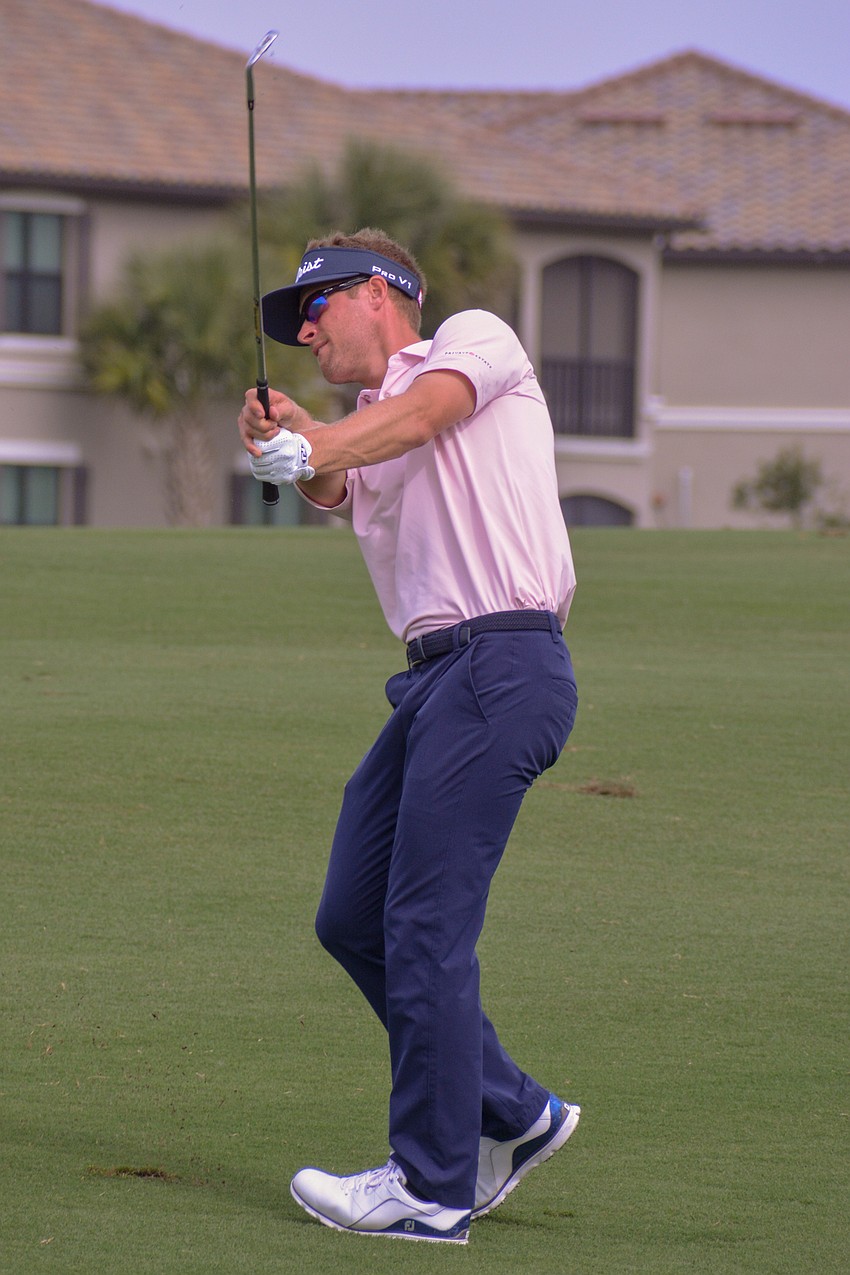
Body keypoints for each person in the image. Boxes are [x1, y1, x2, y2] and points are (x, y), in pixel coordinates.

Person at [237, 228, 580, 1245]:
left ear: (383, 293)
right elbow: (339, 484)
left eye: (318, 305)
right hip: (434, 683)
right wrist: (295, 441)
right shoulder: (363, 424)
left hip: (503, 661)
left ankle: (430, 1192)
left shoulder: (472, 342)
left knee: (426, 932)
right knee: (351, 915)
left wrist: (326, 439)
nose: (303, 330)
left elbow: (426, 417)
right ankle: (513, 1113)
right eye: (294, 323)